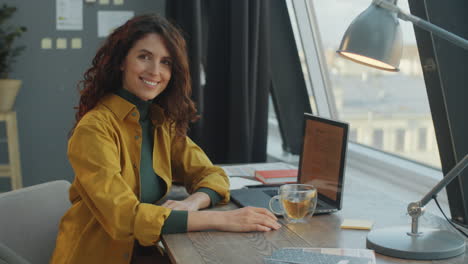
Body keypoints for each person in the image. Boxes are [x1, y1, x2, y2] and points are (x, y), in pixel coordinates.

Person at [50, 14, 281, 264]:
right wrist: (223, 219)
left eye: (166, 62)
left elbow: (212, 175)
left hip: (148, 250)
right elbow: (123, 216)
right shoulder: (94, 129)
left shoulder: (161, 122)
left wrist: (193, 202)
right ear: (121, 62)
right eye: (144, 57)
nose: (155, 71)